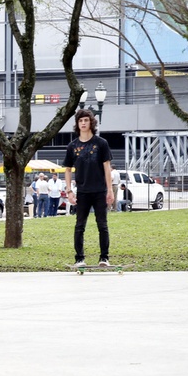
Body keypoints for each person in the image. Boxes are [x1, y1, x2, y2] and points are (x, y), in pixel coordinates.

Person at [63, 108, 115, 267]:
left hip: (99, 191)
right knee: (79, 226)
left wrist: (110, 189)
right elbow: (67, 169)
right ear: (77, 124)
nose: (83, 123)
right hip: (82, 192)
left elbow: (107, 167)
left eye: (86, 120)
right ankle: (79, 259)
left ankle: (104, 258)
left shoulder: (101, 144)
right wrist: (69, 191)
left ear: (91, 123)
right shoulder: (73, 146)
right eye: (80, 121)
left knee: (102, 225)